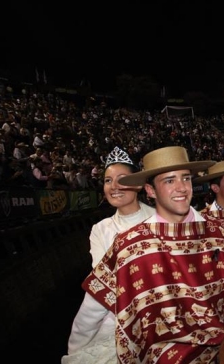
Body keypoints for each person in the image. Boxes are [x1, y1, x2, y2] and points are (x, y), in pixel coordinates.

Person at [81, 146, 224, 363]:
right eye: (170, 181)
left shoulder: (219, 231)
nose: (181, 188)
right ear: (151, 191)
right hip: (165, 351)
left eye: (186, 179)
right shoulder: (129, 245)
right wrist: (76, 348)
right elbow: (92, 306)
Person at [63, 147, 155, 364]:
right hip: (116, 316)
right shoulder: (100, 230)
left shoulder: (160, 219)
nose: (114, 187)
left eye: (122, 179)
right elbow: (105, 284)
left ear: (139, 184)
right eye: (107, 180)